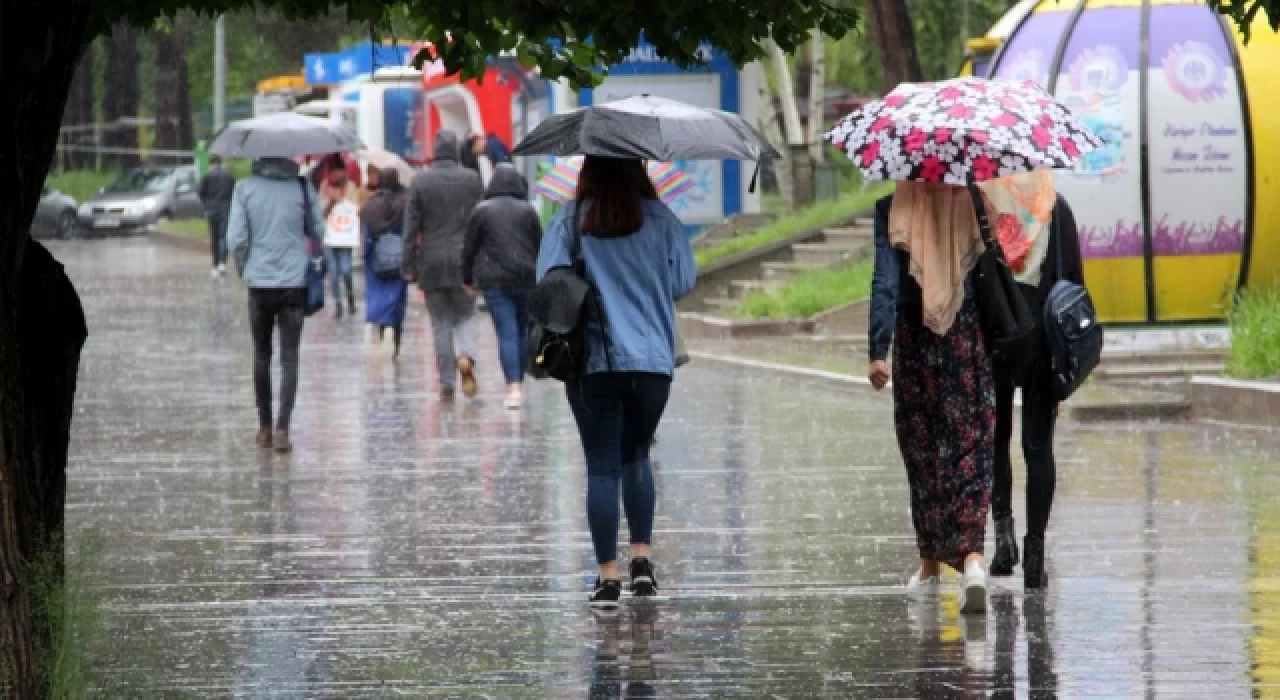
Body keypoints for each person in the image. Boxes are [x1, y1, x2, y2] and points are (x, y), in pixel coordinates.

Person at [536, 156, 697, 609]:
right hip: (651, 362)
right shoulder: (662, 218)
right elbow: (683, 281)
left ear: (587, 171)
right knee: (637, 456)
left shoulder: (570, 221)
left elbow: (548, 284)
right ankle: (642, 565)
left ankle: (607, 578)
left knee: (602, 466)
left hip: (593, 361)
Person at [868, 181, 996, 615]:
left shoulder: (892, 208)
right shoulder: (974, 202)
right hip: (966, 339)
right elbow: (990, 271)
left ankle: (931, 567)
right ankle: (974, 561)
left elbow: (885, 282)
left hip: (914, 342)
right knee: (971, 447)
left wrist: (876, 350)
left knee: (923, 453)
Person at [981, 173, 1085, 590]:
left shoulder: (984, 206)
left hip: (995, 337)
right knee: (1038, 447)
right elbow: (1074, 283)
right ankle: (1035, 555)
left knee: (995, 440)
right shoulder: (1055, 208)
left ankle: (1004, 543)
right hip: (1043, 340)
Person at [227, 157, 324, 454]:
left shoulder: (244, 189)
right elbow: (318, 231)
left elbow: (235, 239)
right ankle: (283, 428)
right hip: (294, 283)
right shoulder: (301, 187)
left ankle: (264, 427)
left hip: (260, 284)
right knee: (290, 357)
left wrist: (246, 269)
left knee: (261, 354)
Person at [404, 130, 486, 399]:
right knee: (466, 315)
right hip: (465, 261)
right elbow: (480, 222)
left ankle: (448, 382)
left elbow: (410, 229)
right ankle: (467, 356)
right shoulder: (472, 179)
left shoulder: (420, 182)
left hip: (432, 262)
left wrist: (409, 266)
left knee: (440, 324)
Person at [462, 163, 543, 409]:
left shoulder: (482, 210)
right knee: (522, 331)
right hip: (526, 278)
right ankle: (520, 381)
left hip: (494, 281)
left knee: (506, 332)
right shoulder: (528, 211)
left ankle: (513, 387)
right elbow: (539, 245)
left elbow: (469, 248)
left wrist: (467, 278)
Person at [361, 167, 410, 357]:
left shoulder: (371, 204)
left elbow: (367, 234)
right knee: (396, 298)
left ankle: (381, 329)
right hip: (399, 259)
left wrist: (367, 255)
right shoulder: (405, 202)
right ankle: (394, 336)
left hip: (377, 260)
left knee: (378, 295)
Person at [322, 170, 359, 318]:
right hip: (331, 239)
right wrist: (331, 201)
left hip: (345, 238)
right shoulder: (326, 188)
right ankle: (338, 303)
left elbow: (355, 210)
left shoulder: (351, 188)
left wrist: (345, 200)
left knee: (346, 269)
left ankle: (350, 298)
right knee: (333, 272)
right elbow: (321, 213)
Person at [199, 156, 236, 278]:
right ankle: (222, 263)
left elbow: (201, 192)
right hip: (225, 209)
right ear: (221, 163)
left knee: (214, 238)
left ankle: (214, 265)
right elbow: (234, 192)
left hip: (211, 210)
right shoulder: (229, 176)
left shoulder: (207, 176)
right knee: (223, 237)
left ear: (212, 164)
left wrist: (206, 205)